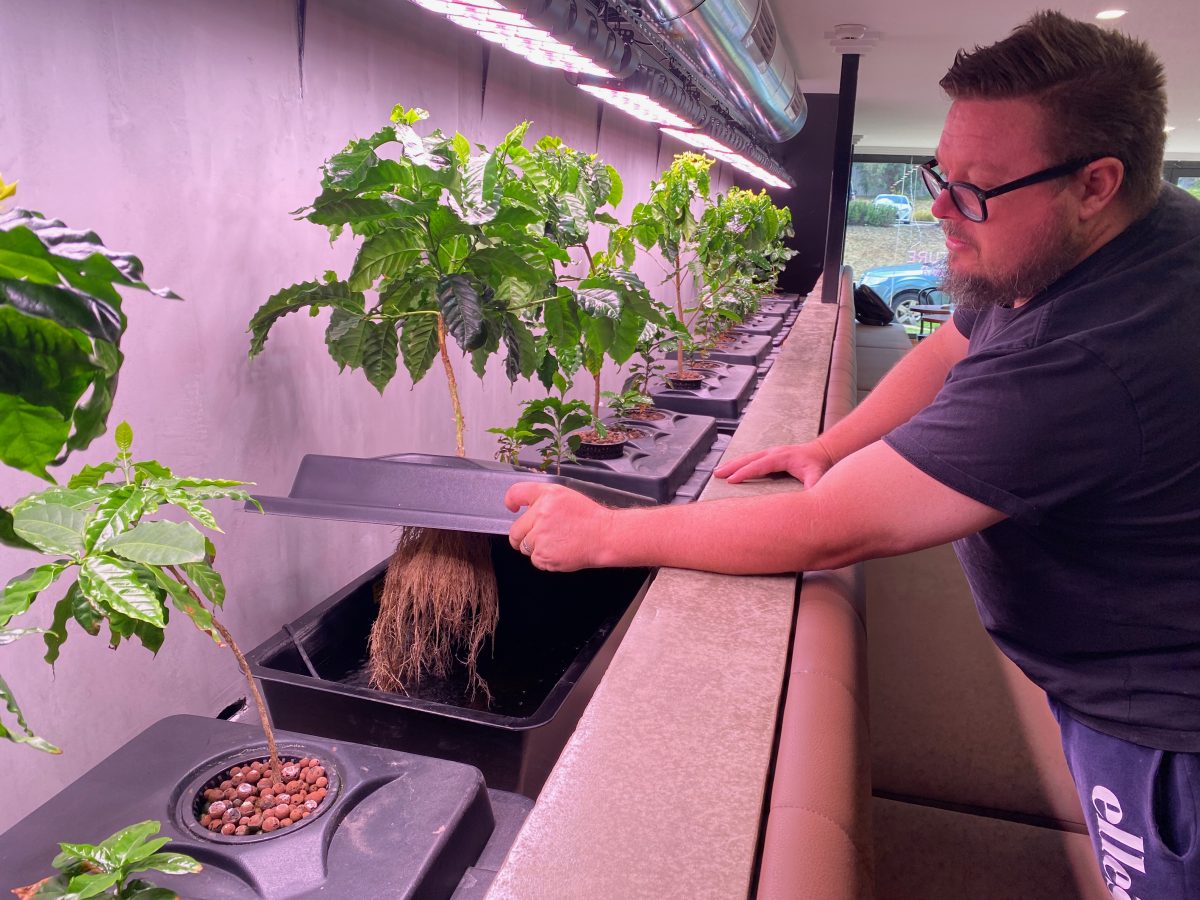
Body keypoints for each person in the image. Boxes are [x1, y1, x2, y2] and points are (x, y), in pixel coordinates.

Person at [507, 10, 1200, 894]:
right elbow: (955, 344)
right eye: (936, 176)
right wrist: (825, 443)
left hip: (1162, 726)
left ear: (1095, 183)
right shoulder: (1098, 243)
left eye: (974, 190)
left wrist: (604, 537)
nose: (939, 211)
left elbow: (831, 532)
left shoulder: (1093, 350)